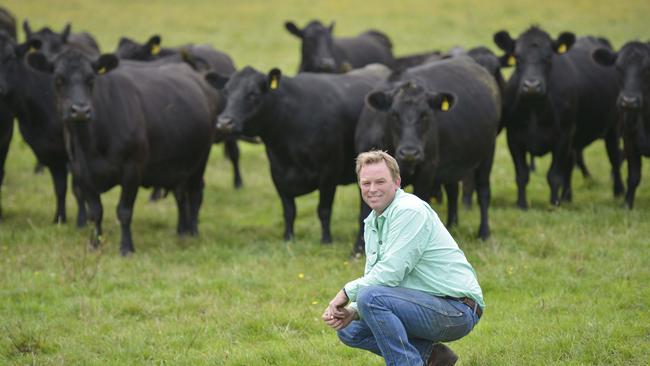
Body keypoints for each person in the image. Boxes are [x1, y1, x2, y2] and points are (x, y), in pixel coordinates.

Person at [322, 150, 484, 366]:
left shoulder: (410, 210)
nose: (372, 189)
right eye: (366, 183)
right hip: (425, 303)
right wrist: (352, 311)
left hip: (457, 308)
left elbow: (390, 273)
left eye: (380, 181)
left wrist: (345, 293)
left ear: (397, 182)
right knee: (350, 329)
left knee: (369, 297)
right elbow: (379, 280)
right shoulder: (373, 222)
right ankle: (433, 357)